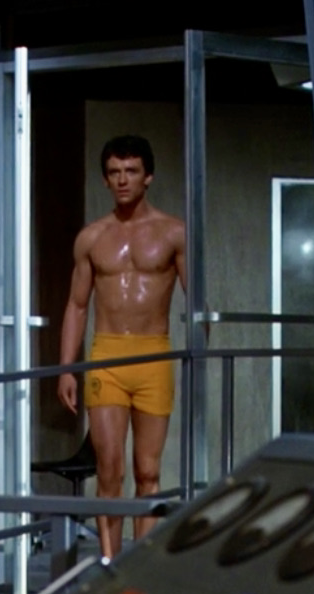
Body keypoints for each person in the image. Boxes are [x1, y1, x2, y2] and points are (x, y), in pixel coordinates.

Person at [58, 135, 186, 559]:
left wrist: (201, 351)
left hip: (154, 355)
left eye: (131, 171)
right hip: (107, 356)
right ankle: (112, 564)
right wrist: (66, 368)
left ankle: (141, 563)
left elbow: (199, 303)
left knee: (147, 470)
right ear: (105, 179)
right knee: (109, 471)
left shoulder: (174, 233)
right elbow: (77, 305)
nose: (123, 180)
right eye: (114, 172)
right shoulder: (92, 238)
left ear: (148, 176)